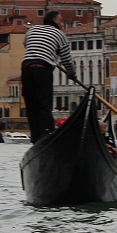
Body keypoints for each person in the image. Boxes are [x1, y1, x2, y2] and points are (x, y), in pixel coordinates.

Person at [21, 11, 79, 142]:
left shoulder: (32, 29)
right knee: (44, 105)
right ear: (55, 21)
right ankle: (47, 137)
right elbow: (67, 59)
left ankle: (35, 139)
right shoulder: (59, 35)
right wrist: (72, 73)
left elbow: (26, 44)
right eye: (61, 21)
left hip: (26, 67)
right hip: (43, 69)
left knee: (31, 105)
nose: (63, 24)